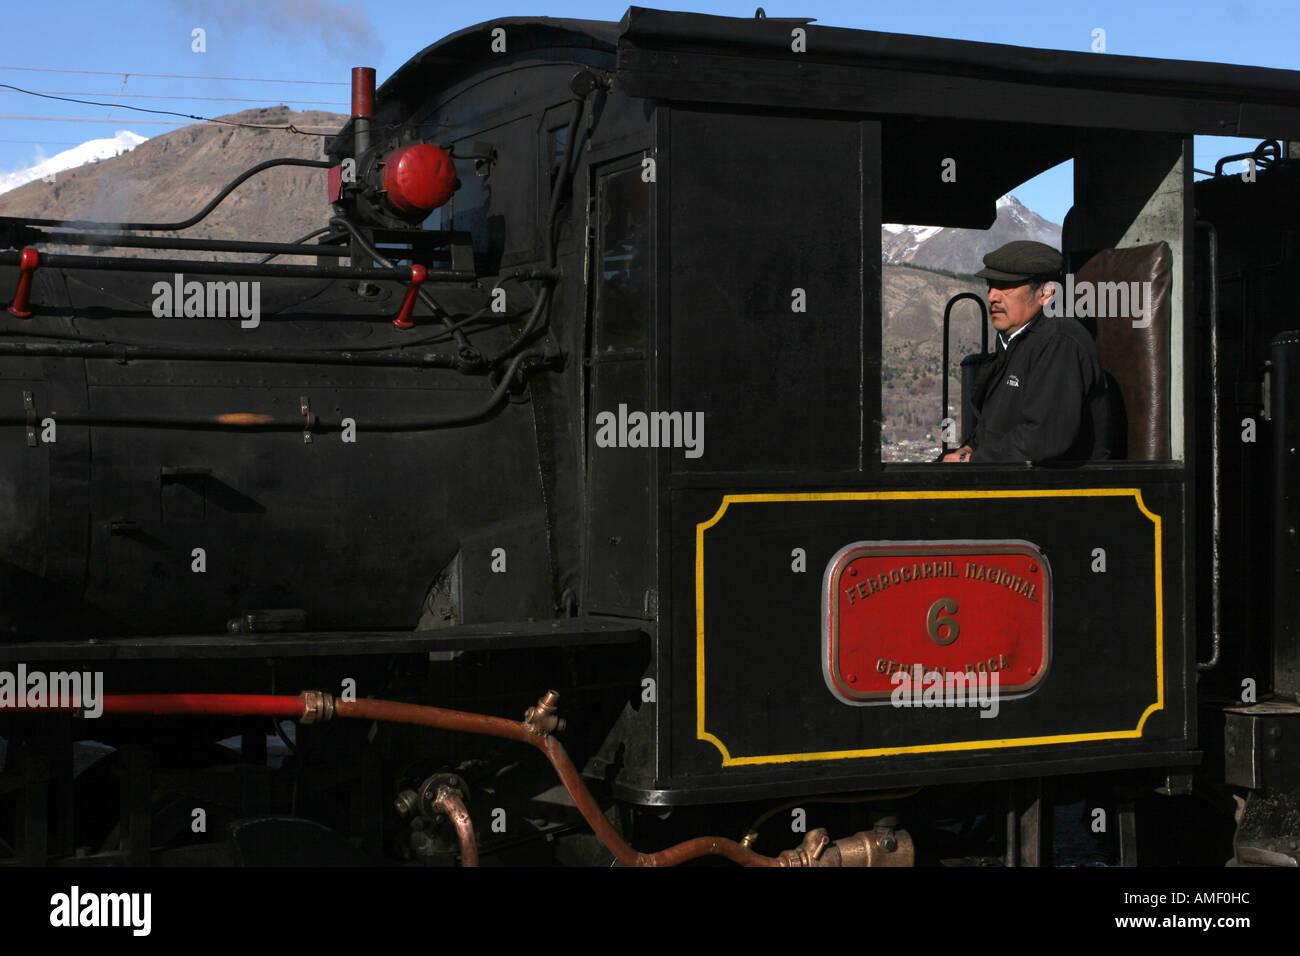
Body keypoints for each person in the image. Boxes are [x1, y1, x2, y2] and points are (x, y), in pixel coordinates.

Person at [942, 240, 1110, 464]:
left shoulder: (1060, 342)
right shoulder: (1014, 340)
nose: (992, 296)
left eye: (1005, 286)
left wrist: (973, 461)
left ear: (1045, 294)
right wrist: (969, 448)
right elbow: (996, 426)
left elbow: (1045, 437)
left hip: (1058, 489)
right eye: (991, 285)